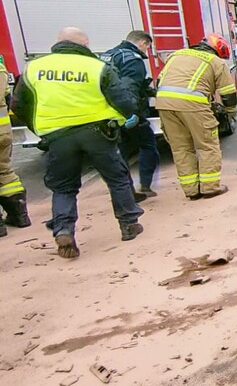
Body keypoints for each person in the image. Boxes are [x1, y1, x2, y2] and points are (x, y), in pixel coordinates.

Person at [11, 27, 144, 259]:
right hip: (98, 133)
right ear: (84, 44)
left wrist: (41, 129)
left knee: (63, 187)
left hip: (57, 136)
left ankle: (63, 230)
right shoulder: (96, 66)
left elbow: (19, 106)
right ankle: (129, 225)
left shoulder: (34, 68)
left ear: (57, 43)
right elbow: (122, 99)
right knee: (117, 178)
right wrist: (129, 117)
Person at [155, 34, 237, 200]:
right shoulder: (216, 62)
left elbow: (159, 81)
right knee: (207, 145)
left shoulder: (176, 55)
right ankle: (210, 187)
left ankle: (192, 191)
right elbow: (228, 93)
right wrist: (231, 113)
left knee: (181, 148)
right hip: (193, 104)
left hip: (164, 104)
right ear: (218, 51)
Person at [103, 31, 160, 201]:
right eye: (148, 46)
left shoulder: (108, 55)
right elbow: (129, 87)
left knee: (121, 153)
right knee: (148, 146)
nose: (147, 50)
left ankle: (126, 191)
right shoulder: (132, 59)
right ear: (142, 42)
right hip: (129, 113)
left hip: (109, 113)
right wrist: (133, 113)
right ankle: (145, 186)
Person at [0, 57, 31, 235]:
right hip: (3, 131)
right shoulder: (1, 68)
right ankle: (20, 215)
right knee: (4, 170)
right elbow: (7, 95)